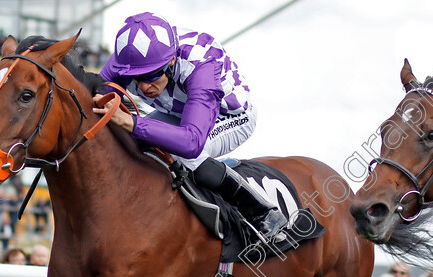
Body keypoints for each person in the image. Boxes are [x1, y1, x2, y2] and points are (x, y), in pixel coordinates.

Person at [92, 12, 287, 240]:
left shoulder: (200, 65)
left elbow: (191, 142)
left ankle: (262, 212)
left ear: (171, 60)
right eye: (136, 78)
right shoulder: (127, 59)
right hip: (179, 113)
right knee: (126, 143)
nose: (144, 87)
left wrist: (130, 121)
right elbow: (97, 96)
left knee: (186, 155)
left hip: (228, 115)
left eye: (152, 75)